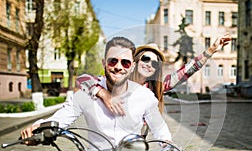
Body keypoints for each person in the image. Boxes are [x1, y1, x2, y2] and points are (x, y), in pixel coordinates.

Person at [21, 37, 179, 151]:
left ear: (132, 66)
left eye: (125, 62)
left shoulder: (145, 95)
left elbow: (160, 129)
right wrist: (38, 128)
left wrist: (167, 144)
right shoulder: (86, 93)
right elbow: (61, 118)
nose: (118, 67)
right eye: (113, 61)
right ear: (104, 62)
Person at [77, 33, 231, 116]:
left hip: (134, 150)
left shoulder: (155, 87)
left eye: (155, 63)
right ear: (135, 61)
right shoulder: (118, 79)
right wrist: (103, 93)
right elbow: (82, 79)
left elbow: (186, 71)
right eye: (145, 59)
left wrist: (210, 50)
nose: (150, 64)